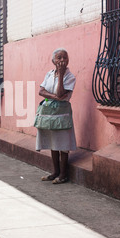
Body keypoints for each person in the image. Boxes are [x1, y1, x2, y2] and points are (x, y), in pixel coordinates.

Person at [36, 48, 77, 184]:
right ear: (53, 61)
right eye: (59, 58)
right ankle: (55, 172)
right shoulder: (49, 74)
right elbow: (41, 91)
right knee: (53, 142)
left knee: (63, 144)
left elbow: (61, 93)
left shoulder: (70, 77)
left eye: (65, 58)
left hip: (62, 112)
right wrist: (54, 96)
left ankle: (63, 175)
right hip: (49, 112)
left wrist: (60, 75)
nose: (62, 61)